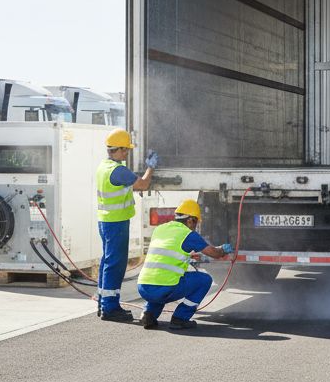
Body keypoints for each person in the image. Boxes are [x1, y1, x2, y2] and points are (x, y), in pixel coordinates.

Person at [138, 199, 234, 330]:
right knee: (204, 280)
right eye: (195, 223)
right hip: (165, 288)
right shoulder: (188, 234)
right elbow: (214, 253)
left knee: (160, 282)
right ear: (190, 220)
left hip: (144, 287)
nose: (195, 227)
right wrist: (223, 250)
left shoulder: (159, 229)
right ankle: (180, 318)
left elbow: (169, 252)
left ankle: (148, 314)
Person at [96, 128, 155, 322]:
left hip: (105, 221)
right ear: (118, 149)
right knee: (115, 264)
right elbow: (143, 184)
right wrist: (150, 167)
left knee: (107, 262)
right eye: (126, 150)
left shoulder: (104, 167)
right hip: (117, 223)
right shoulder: (118, 170)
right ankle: (110, 308)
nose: (127, 154)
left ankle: (103, 302)